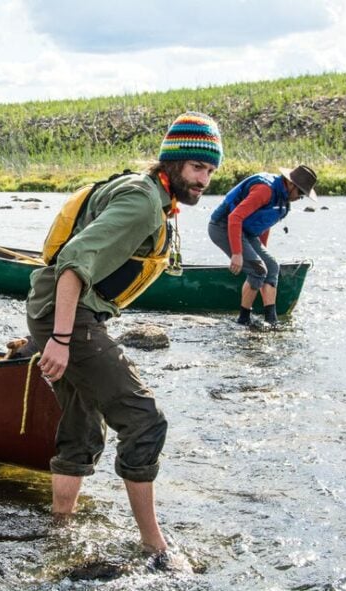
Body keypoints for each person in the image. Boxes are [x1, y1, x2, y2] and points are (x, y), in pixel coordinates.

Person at [26, 112, 222, 566]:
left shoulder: (151, 193)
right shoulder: (143, 201)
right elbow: (74, 261)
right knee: (144, 420)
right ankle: (155, 546)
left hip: (61, 313)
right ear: (172, 163)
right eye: (197, 168)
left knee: (83, 424)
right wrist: (59, 338)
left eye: (210, 171)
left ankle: (61, 527)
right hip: (66, 317)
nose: (204, 179)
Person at [207, 165, 318, 325]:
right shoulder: (265, 190)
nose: (300, 197)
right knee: (258, 270)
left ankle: (271, 319)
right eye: (300, 192)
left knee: (271, 266)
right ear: (291, 184)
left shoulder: (283, 200)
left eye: (303, 195)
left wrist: (260, 251)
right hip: (223, 226)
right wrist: (237, 254)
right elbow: (235, 217)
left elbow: (264, 224)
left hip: (246, 231)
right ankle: (243, 319)